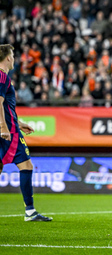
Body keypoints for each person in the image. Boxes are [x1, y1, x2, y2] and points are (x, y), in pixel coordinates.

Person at [0, 44, 52, 222]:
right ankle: (30, 211)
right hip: (8, 132)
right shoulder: (2, 76)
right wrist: (4, 127)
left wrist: (19, 122)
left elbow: (6, 106)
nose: (14, 58)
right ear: (7, 58)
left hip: (10, 127)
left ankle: (30, 211)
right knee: (26, 166)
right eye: (13, 55)